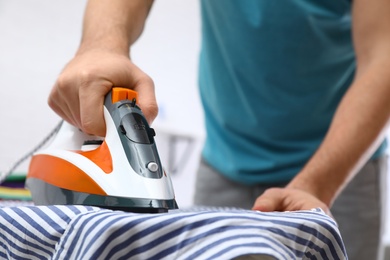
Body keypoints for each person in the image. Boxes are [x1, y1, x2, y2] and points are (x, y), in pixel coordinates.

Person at [48, 1, 390, 259]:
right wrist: (100, 46)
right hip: (224, 161)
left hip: (339, 171)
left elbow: (383, 56)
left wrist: (318, 184)